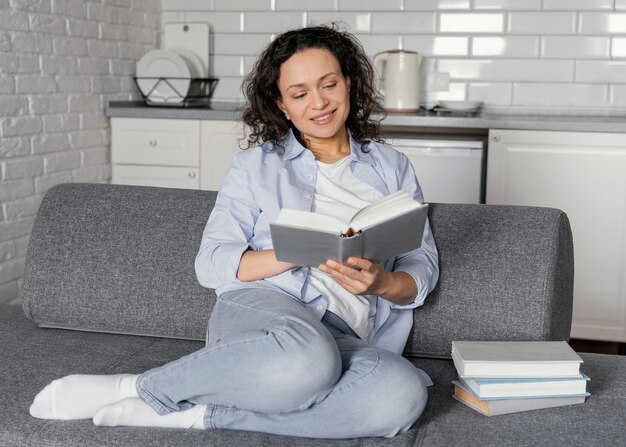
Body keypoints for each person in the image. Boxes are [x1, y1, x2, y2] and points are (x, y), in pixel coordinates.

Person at [29, 24, 439, 439]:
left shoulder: (393, 167)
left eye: (328, 84)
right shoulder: (255, 167)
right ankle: (138, 387)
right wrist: (298, 249)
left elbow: (421, 265)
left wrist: (383, 281)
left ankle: (196, 414)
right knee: (307, 358)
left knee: (400, 395)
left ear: (349, 84)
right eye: (300, 94)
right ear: (282, 105)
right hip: (267, 308)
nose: (319, 103)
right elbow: (210, 264)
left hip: (348, 333)